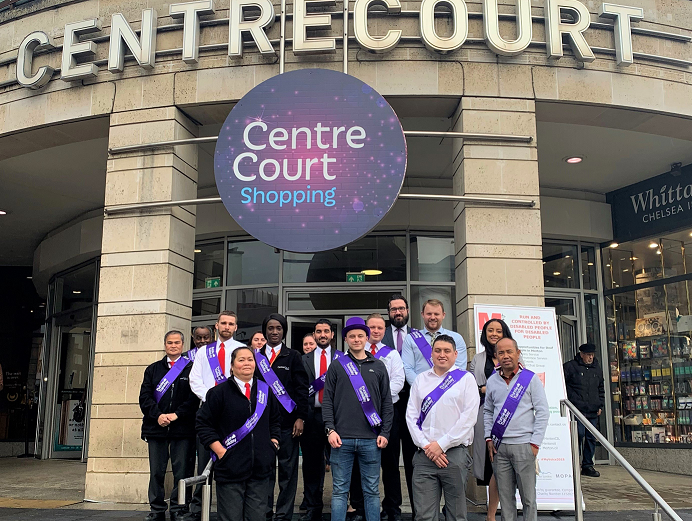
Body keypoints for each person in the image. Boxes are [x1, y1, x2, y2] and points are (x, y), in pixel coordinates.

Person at [196, 346, 282, 521]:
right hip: (230, 468)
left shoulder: (265, 391)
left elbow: (275, 421)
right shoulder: (218, 393)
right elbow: (203, 424)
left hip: (260, 469)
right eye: (241, 360)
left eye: (250, 359)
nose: (246, 363)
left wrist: (273, 444)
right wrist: (220, 451)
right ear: (232, 365)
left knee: (257, 517)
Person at [323, 317, 393, 521]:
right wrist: (330, 429)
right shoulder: (337, 366)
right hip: (340, 439)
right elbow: (327, 401)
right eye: (352, 336)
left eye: (360, 335)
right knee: (339, 492)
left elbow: (387, 403)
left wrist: (385, 433)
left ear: (366, 337)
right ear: (346, 339)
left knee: (371, 491)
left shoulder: (378, 366)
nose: (356, 339)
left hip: (371, 439)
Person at [406, 334, 479, 521]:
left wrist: (441, 445)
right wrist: (427, 446)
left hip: (454, 455)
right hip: (424, 455)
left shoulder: (466, 379)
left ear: (455, 354)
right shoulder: (421, 380)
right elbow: (411, 416)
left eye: (447, 351)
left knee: (456, 514)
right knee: (424, 515)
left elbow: (468, 417)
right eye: (437, 350)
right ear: (431, 354)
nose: (442, 354)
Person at [484, 338, 549, 521]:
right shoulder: (492, 381)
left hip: (524, 446)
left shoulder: (530, 378)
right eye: (501, 353)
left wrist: (535, 443)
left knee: (528, 499)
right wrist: (489, 437)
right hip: (500, 448)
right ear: (496, 356)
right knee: (506, 500)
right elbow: (488, 411)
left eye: (509, 352)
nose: (506, 356)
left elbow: (543, 412)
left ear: (517, 353)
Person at [188, 311, 245, 520]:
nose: (227, 327)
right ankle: (197, 509)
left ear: (236, 327)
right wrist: (213, 399)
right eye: (223, 323)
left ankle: (229, 510)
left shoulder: (241, 350)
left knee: (230, 460)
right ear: (216, 325)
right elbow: (195, 380)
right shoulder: (204, 352)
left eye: (231, 323)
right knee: (205, 462)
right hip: (209, 412)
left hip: (233, 414)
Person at [350, 313, 405, 521]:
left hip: (388, 413)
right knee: (358, 462)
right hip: (359, 416)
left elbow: (398, 382)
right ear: (365, 329)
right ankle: (359, 507)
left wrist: (377, 402)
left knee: (390, 463)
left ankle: (392, 507)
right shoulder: (354, 356)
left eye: (380, 328)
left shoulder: (391, 354)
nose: (375, 331)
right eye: (371, 327)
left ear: (385, 330)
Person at [139, 330, 199, 521]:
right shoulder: (153, 369)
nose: (173, 346)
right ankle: (156, 509)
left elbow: (194, 398)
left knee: (182, 472)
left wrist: (176, 415)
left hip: (182, 428)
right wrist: (158, 415)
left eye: (177, 343)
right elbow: (145, 397)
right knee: (157, 471)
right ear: (165, 345)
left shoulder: (191, 368)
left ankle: (179, 508)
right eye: (169, 343)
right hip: (156, 427)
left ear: (183, 345)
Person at [258, 313, 309, 521]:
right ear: (265, 331)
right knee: (265, 471)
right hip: (262, 425)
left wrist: (300, 417)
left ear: (284, 331)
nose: (274, 332)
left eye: (278, 328)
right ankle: (265, 512)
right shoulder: (255, 356)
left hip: (288, 425)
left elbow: (302, 388)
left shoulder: (293, 356)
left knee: (288, 473)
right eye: (270, 328)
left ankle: (283, 515)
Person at [469, 318, 514, 521]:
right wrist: (482, 389)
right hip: (485, 414)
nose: (494, 333)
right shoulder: (477, 359)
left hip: (510, 417)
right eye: (490, 330)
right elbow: (470, 387)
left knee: (504, 465)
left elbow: (521, 383)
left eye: (498, 330)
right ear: (485, 334)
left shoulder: (514, 357)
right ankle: (491, 514)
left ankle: (497, 513)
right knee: (491, 464)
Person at [300, 319, 338, 521]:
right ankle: (313, 507)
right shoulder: (304, 359)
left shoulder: (342, 359)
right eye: (318, 331)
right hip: (312, 416)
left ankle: (343, 504)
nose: (322, 334)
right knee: (312, 464)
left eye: (326, 331)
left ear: (332, 334)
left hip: (337, 418)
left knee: (341, 463)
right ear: (314, 335)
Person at [382, 294, 415, 518]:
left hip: (413, 403)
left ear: (408, 310)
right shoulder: (379, 336)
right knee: (390, 459)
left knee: (414, 460)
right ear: (389, 313)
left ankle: (419, 508)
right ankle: (392, 508)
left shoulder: (418, 336)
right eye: (394, 309)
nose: (398, 313)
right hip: (390, 404)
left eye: (401, 308)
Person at [402, 299, 467, 388]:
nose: (432, 317)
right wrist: (420, 388)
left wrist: (445, 389)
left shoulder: (457, 338)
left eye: (436, 314)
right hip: (421, 392)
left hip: (450, 390)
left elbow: (460, 367)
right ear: (422, 314)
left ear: (443, 315)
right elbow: (407, 368)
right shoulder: (411, 339)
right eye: (429, 314)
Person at [563, 342, 605, 478]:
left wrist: (600, 405)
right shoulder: (570, 367)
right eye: (588, 355)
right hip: (576, 409)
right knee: (578, 435)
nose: (590, 357)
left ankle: (587, 465)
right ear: (581, 355)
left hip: (592, 410)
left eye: (592, 355)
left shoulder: (597, 369)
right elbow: (563, 386)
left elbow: (601, 388)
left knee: (591, 438)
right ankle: (574, 462)